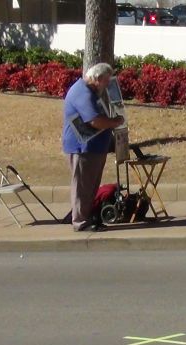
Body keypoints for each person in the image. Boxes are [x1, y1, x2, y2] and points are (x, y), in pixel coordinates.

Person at [62, 63, 125, 231]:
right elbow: (94, 121)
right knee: (82, 186)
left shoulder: (90, 91)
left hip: (94, 148)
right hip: (83, 149)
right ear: (97, 79)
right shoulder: (82, 93)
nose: (106, 86)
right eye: (105, 81)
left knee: (90, 186)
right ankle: (80, 222)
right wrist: (116, 122)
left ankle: (88, 217)